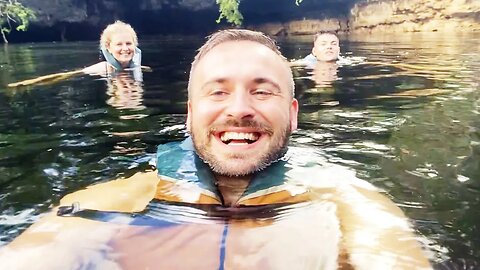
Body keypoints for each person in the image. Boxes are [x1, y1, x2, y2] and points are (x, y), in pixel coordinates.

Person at [0, 29, 432, 270]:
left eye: (262, 92)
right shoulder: (111, 202)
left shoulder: (349, 205)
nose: (240, 109)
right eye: (218, 92)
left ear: (294, 114)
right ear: (189, 114)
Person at [7, 20, 143, 87]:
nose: (125, 48)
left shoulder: (137, 67)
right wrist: (27, 83)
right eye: (119, 44)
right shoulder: (103, 68)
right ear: (108, 47)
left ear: (135, 45)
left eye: (128, 43)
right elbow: (68, 75)